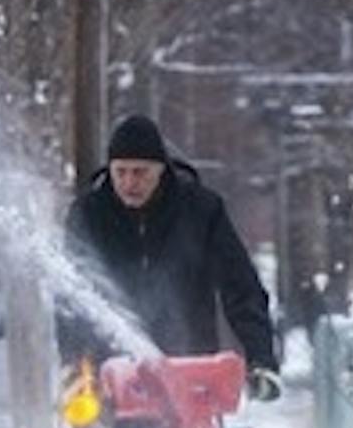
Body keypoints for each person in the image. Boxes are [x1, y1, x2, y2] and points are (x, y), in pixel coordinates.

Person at [57, 113, 283, 405]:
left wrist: (260, 359)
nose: (129, 183)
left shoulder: (201, 211)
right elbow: (72, 296)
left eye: (140, 172)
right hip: (120, 372)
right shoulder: (88, 215)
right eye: (121, 172)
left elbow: (241, 287)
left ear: (161, 170)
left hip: (192, 366)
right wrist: (75, 364)